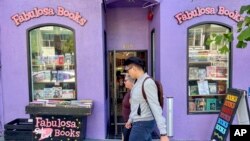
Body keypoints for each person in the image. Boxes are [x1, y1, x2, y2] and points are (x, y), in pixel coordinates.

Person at [124, 56, 169, 141]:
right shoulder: (138, 82)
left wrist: (163, 133)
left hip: (143, 124)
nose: (128, 73)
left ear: (133, 68)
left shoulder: (147, 83)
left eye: (128, 70)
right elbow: (136, 106)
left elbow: (156, 107)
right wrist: (130, 119)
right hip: (139, 123)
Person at [122, 74, 135, 141]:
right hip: (128, 123)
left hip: (131, 124)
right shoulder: (130, 91)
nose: (124, 82)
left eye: (125, 80)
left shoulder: (134, 93)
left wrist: (130, 121)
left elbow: (134, 110)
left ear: (131, 81)